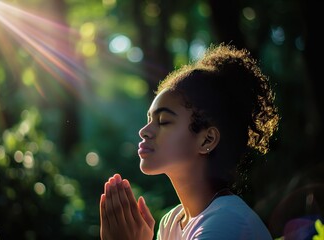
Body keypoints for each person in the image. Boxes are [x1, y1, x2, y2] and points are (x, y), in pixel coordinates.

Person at [99, 43, 279, 240]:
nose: (144, 131)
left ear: (206, 140)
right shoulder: (172, 223)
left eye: (164, 121)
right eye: (149, 120)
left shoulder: (226, 224)